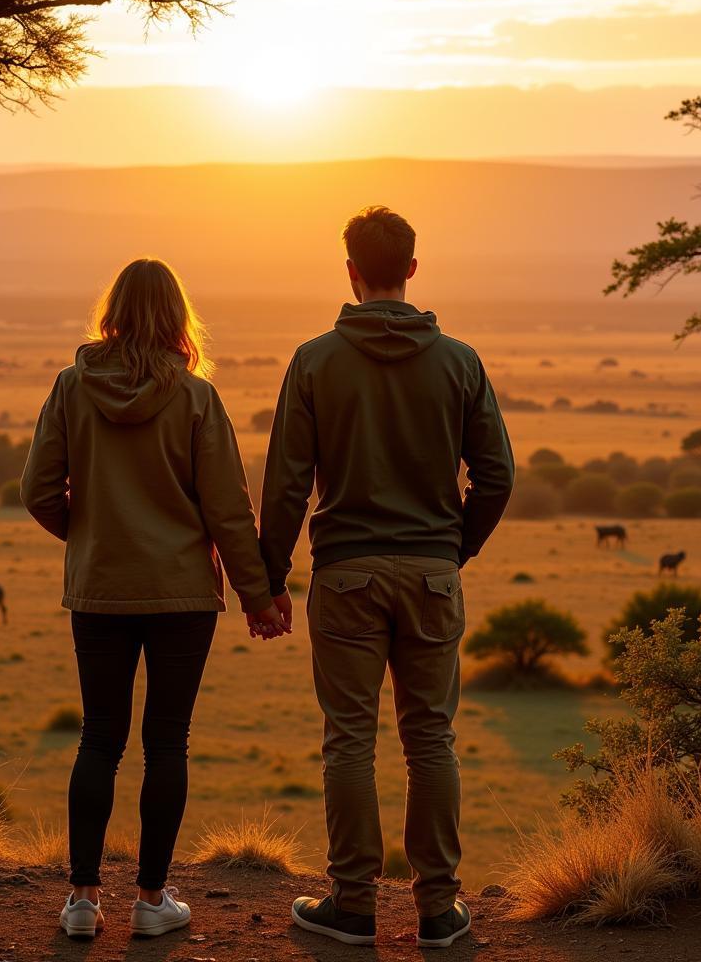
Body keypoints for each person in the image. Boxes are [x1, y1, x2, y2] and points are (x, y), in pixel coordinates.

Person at [254, 206, 514, 949]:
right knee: (431, 737)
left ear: (350, 271)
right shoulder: (459, 360)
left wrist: (271, 576)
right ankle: (438, 910)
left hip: (345, 576)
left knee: (349, 741)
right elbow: (496, 474)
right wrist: (454, 548)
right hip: (432, 573)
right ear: (412, 269)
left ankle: (353, 906)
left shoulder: (315, 359)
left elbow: (285, 484)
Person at [21, 258, 289, 941]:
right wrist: (260, 598)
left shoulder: (70, 388)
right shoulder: (197, 398)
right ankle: (151, 900)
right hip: (181, 597)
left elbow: (36, 490)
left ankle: (81, 901)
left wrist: (88, 536)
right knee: (167, 741)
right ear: (178, 317)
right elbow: (229, 509)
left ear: (110, 312)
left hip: (101, 588)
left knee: (99, 739)